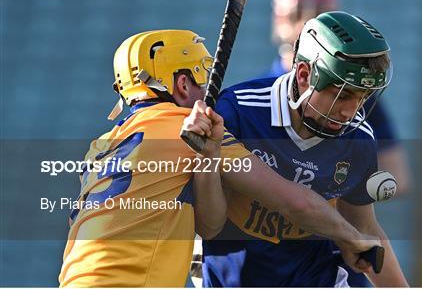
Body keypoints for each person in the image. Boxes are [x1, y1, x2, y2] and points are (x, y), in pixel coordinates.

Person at [59, 30, 384, 287]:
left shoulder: (101, 146)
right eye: (204, 78)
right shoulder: (184, 126)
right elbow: (293, 202)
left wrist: (208, 160)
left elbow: (211, 225)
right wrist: (352, 237)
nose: (213, 95)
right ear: (182, 84)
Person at [203, 11, 409, 287]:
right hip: (237, 276)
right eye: (343, 94)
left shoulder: (358, 140)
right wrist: (348, 236)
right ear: (304, 75)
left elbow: (364, 228)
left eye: (363, 98)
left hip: (317, 276)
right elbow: (296, 205)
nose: (351, 111)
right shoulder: (239, 113)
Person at [269, 0, 411, 195]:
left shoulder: (358, 97)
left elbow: (398, 177)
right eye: (296, 15)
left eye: (317, 16)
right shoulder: (256, 94)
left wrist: (335, 190)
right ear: (279, 20)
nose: (304, 27)